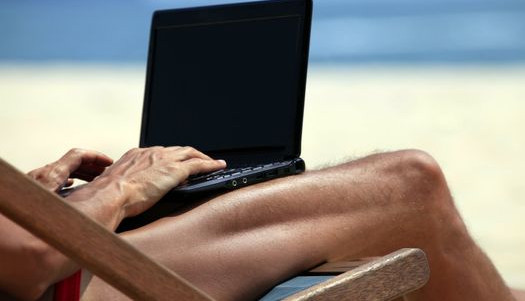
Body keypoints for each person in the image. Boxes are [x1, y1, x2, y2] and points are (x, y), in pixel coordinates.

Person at [0, 147, 524, 301]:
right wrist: (119, 189)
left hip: (55, 249)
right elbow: (28, 261)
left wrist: (31, 199)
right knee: (409, 186)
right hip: (64, 278)